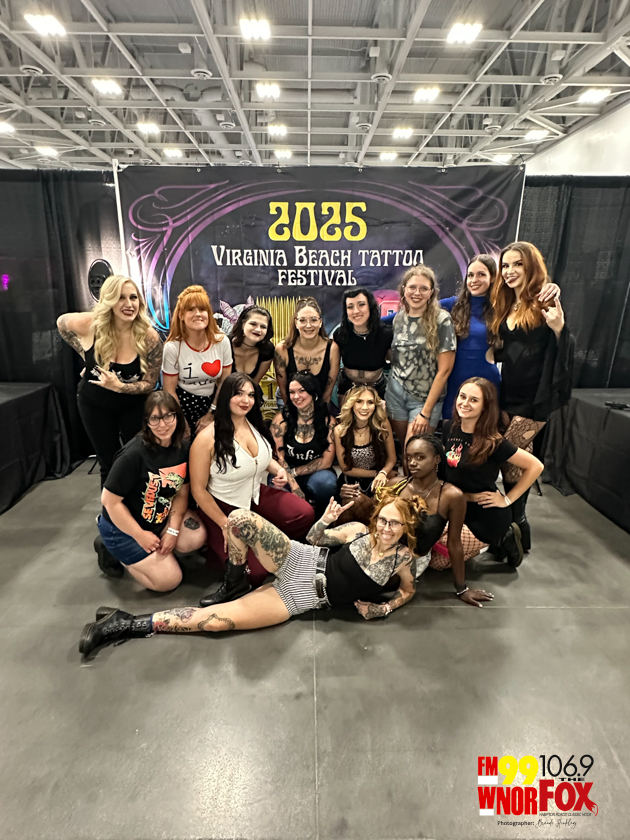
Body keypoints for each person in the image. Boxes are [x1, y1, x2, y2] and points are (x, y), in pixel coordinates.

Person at [79, 493, 425, 658]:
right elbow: (315, 538)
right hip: (300, 558)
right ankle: (235, 580)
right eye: (382, 519)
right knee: (240, 519)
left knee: (215, 623)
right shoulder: (358, 531)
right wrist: (326, 519)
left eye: (394, 523)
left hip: (302, 598)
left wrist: (383, 608)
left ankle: (125, 623)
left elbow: (408, 591)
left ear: (405, 527)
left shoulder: (402, 559)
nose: (385, 527)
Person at [190, 372, 315, 604]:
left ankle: (265, 538)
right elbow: (198, 490)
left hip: (255, 496)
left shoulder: (253, 423)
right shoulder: (206, 439)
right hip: (224, 506)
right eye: (238, 394)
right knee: (255, 574)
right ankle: (221, 552)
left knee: (304, 514)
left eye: (250, 395)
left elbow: (261, 459)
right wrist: (224, 524)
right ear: (226, 396)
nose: (245, 400)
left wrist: (278, 470)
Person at [489, 242, 574, 551]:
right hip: (507, 394)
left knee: (513, 462)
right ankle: (513, 533)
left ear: (532, 267)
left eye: (518, 264)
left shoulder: (544, 300)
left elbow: (564, 348)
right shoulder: (505, 303)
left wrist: (559, 328)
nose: (510, 271)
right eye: (506, 265)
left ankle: (515, 527)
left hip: (534, 400)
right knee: (509, 467)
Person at [57, 275, 162, 486]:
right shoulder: (89, 325)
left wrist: (120, 387)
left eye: (133, 297)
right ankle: (111, 507)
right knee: (108, 462)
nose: (129, 304)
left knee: (138, 458)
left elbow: (150, 384)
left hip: (133, 405)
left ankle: (138, 503)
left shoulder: (149, 336)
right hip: (94, 404)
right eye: (121, 298)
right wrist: (86, 356)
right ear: (109, 300)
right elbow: (62, 323)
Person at [96, 391, 206, 590]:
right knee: (169, 581)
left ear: (177, 417)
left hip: (157, 517)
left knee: (196, 537)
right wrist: (139, 535)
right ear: (146, 421)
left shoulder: (183, 448)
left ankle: (156, 557)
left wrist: (172, 530)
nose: (162, 425)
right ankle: (112, 550)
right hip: (124, 528)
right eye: (155, 418)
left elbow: (182, 493)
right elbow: (109, 501)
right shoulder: (133, 455)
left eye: (168, 416)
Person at [440, 254, 561, 419]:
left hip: (488, 381)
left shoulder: (502, 307)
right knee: (452, 430)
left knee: (486, 431)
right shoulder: (452, 305)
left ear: (492, 278)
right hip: (455, 382)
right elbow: (418, 308)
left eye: (481, 274)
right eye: (470, 275)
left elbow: (528, 297)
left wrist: (551, 287)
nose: (474, 280)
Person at [380, 435, 493, 608]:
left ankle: (499, 543)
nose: (412, 463)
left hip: (412, 559)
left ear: (437, 459)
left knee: (382, 581)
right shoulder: (396, 485)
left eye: (420, 457)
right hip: (383, 550)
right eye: (409, 457)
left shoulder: (451, 496)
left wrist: (461, 589)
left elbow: (454, 543)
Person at [443, 377, 544, 567]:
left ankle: (504, 538)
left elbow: (535, 466)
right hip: (457, 507)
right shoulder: (450, 428)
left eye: (474, 400)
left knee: (440, 561)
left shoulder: (493, 442)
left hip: (484, 516)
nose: (465, 403)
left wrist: (507, 500)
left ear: (485, 407)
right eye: (462, 396)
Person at [386, 265, 456, 447]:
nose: (417, 293)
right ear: (404, 289)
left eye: (423, 288)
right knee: (406, 451)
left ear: (431, 292)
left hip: (425, 400)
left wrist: (425, 412)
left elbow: (445, 370)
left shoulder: (442, 319)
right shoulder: (398, 319)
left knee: (415, 450)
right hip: (395, 395)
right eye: (412, 287)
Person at [162, 285, 232, 437]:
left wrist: (212, 413)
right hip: (180, 406)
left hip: (214, 404)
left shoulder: (222, 342)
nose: (198, 314)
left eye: (202, 309)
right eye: (191, 309)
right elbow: (169, 390)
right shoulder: (172, 347)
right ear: (181, 315)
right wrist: (182, 422)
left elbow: (224, 383)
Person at [270, 373, 337, 518]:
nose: (296, 396)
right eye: (292, 392)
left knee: (326, 483)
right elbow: (278, 457)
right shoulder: (281, 420)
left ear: (313, 393)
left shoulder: (328, 422)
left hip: (316, 473)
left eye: (302, 391)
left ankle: (322, 519)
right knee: (277, 489)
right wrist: (293, 484)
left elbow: (326, 461)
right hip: (284, 470)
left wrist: (295, 473)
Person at [334, 385, 397, 524]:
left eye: (370, 402)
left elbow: (392, 458)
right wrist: (376, 473)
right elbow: (345, 468)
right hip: (352, 481)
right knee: (351, 503)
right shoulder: (340, 430)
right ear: (351, 404)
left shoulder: (382, 424)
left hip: (378, 481)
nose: (365, 407)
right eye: (359, 401)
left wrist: (383, 473)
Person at [274, 296, 340, 407]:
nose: (308, 325)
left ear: (320, 322)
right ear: (296, 323)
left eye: (313, 320)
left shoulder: (332, 348)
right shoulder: (282, 349)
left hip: (320, 403)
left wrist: (319, 414)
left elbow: (327, 393)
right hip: (290, 402)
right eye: (302, 320)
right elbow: (284, 392)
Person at [332, 287, 393, 403]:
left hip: (377, 390)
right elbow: (332, 370)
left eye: (361, 305)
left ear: (370, 306)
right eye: (350, 307)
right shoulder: (340, 334)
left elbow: (396, 367)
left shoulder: (386, 334)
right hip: (347, 389)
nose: (356, 311)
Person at [229, 305, 275, 385]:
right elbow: (221, 382)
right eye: (253, 324)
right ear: (243, 324)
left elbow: (255, 383)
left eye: (263, 327)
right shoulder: (226, 344)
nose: (258, 330)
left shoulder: (268, 350)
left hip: (251, 389)